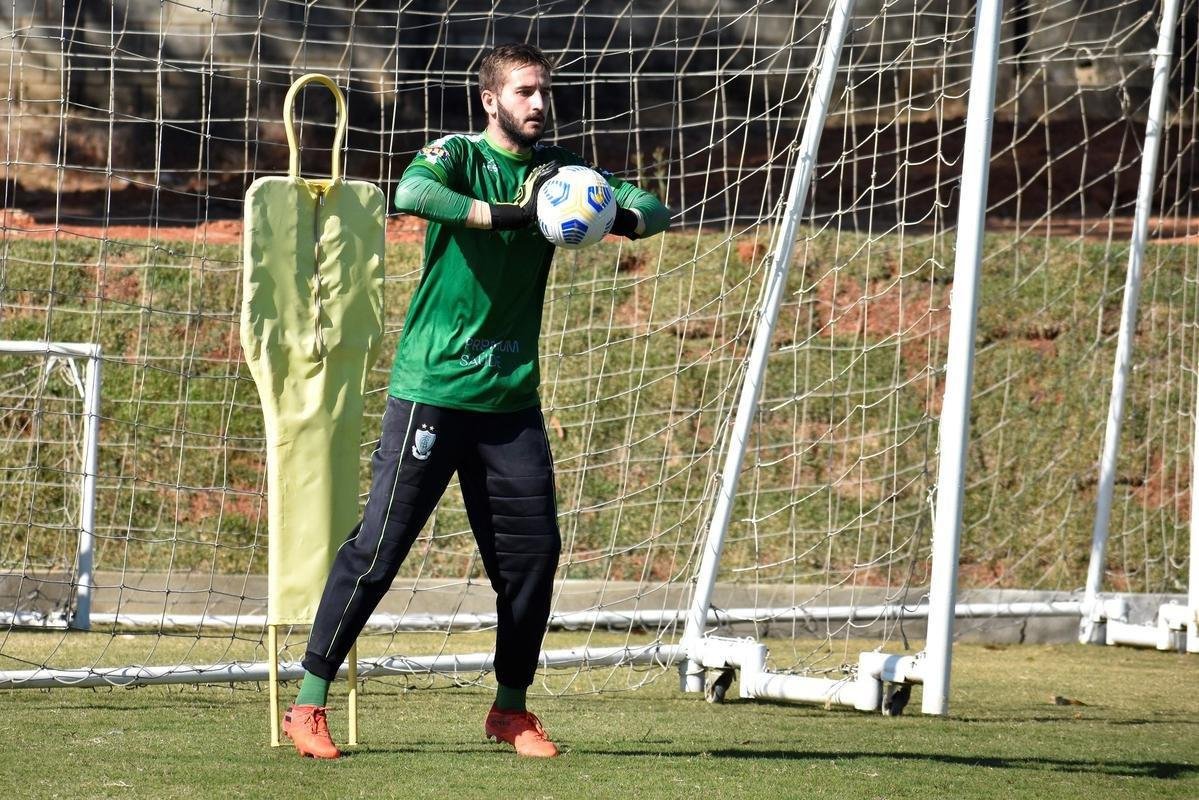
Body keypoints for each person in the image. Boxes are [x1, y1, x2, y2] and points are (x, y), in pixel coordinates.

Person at [281, 42, 670, 759]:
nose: (538, 104)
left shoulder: (561, 175)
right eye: (524, 92)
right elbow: (412, 195)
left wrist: (600, 213)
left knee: (532, 560)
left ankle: (510, 711)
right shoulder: (457, 154)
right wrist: (511, 216)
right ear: (491, 100)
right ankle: (306, 703)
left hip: (511, 403)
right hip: (432, 391)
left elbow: (654, 207)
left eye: (543, 92)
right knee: (376, 553)